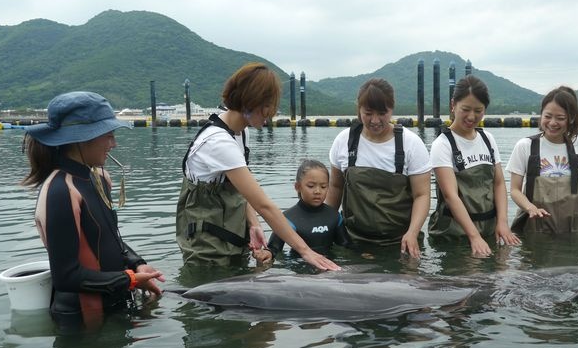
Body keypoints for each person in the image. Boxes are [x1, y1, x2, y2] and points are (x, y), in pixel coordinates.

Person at [22, 91, 165, 330]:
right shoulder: (61, 190)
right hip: (81, 320)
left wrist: (137, 264)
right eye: (108, 136)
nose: (113, 144)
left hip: (116, 305)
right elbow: (66, 276)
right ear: (81, 138)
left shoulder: (99, 177)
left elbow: (109, 239)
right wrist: (129, 279)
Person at [176, 62, 340, 271]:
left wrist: (253, 224)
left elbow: (244, 192)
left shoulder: (241, 132)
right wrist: (306, 251)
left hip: (231, 233)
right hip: (206, 244)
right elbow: (264, 204)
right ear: (250, 101)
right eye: (267, 106)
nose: (271, 113)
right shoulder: (218, 142)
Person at [326, 78, 431, 258]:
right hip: (352, 240)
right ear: (358, 109)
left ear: (392, 109)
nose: (375, 120)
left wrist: (413, 232)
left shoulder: (411, 143)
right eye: (368, 113)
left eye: (382, 113)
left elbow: (422, 195)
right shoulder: (344, 140)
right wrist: (323, 228)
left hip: (400, 242)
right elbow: (335, 187)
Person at [506, 86, 578, 234]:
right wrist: (530, 208)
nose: (552, 123)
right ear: (541, 115)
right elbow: (515, 190)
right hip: (534, 227)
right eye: (547, 116)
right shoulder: (526, 146)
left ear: (571, 119)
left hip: (573, 230)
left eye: (560, 118)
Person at [428, 75, 521, 255]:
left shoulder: (487, 139)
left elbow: (499, 183)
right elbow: (450, 196)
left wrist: (502, 222)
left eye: (478, 110)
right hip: (455, 234)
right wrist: (474, 237)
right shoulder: (442, 144)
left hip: (488, 229)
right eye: (466, 109)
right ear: (453, 105)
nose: (472, 116)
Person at [266, 159, 351, 260]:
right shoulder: (287, 219)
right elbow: (274, 249)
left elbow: (346, 246)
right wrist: (267, 254)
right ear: (298, 187)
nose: (317, 191)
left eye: (323, 187)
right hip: (299, 270)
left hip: (330, 268)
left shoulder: (334, 217)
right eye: (311, 186)